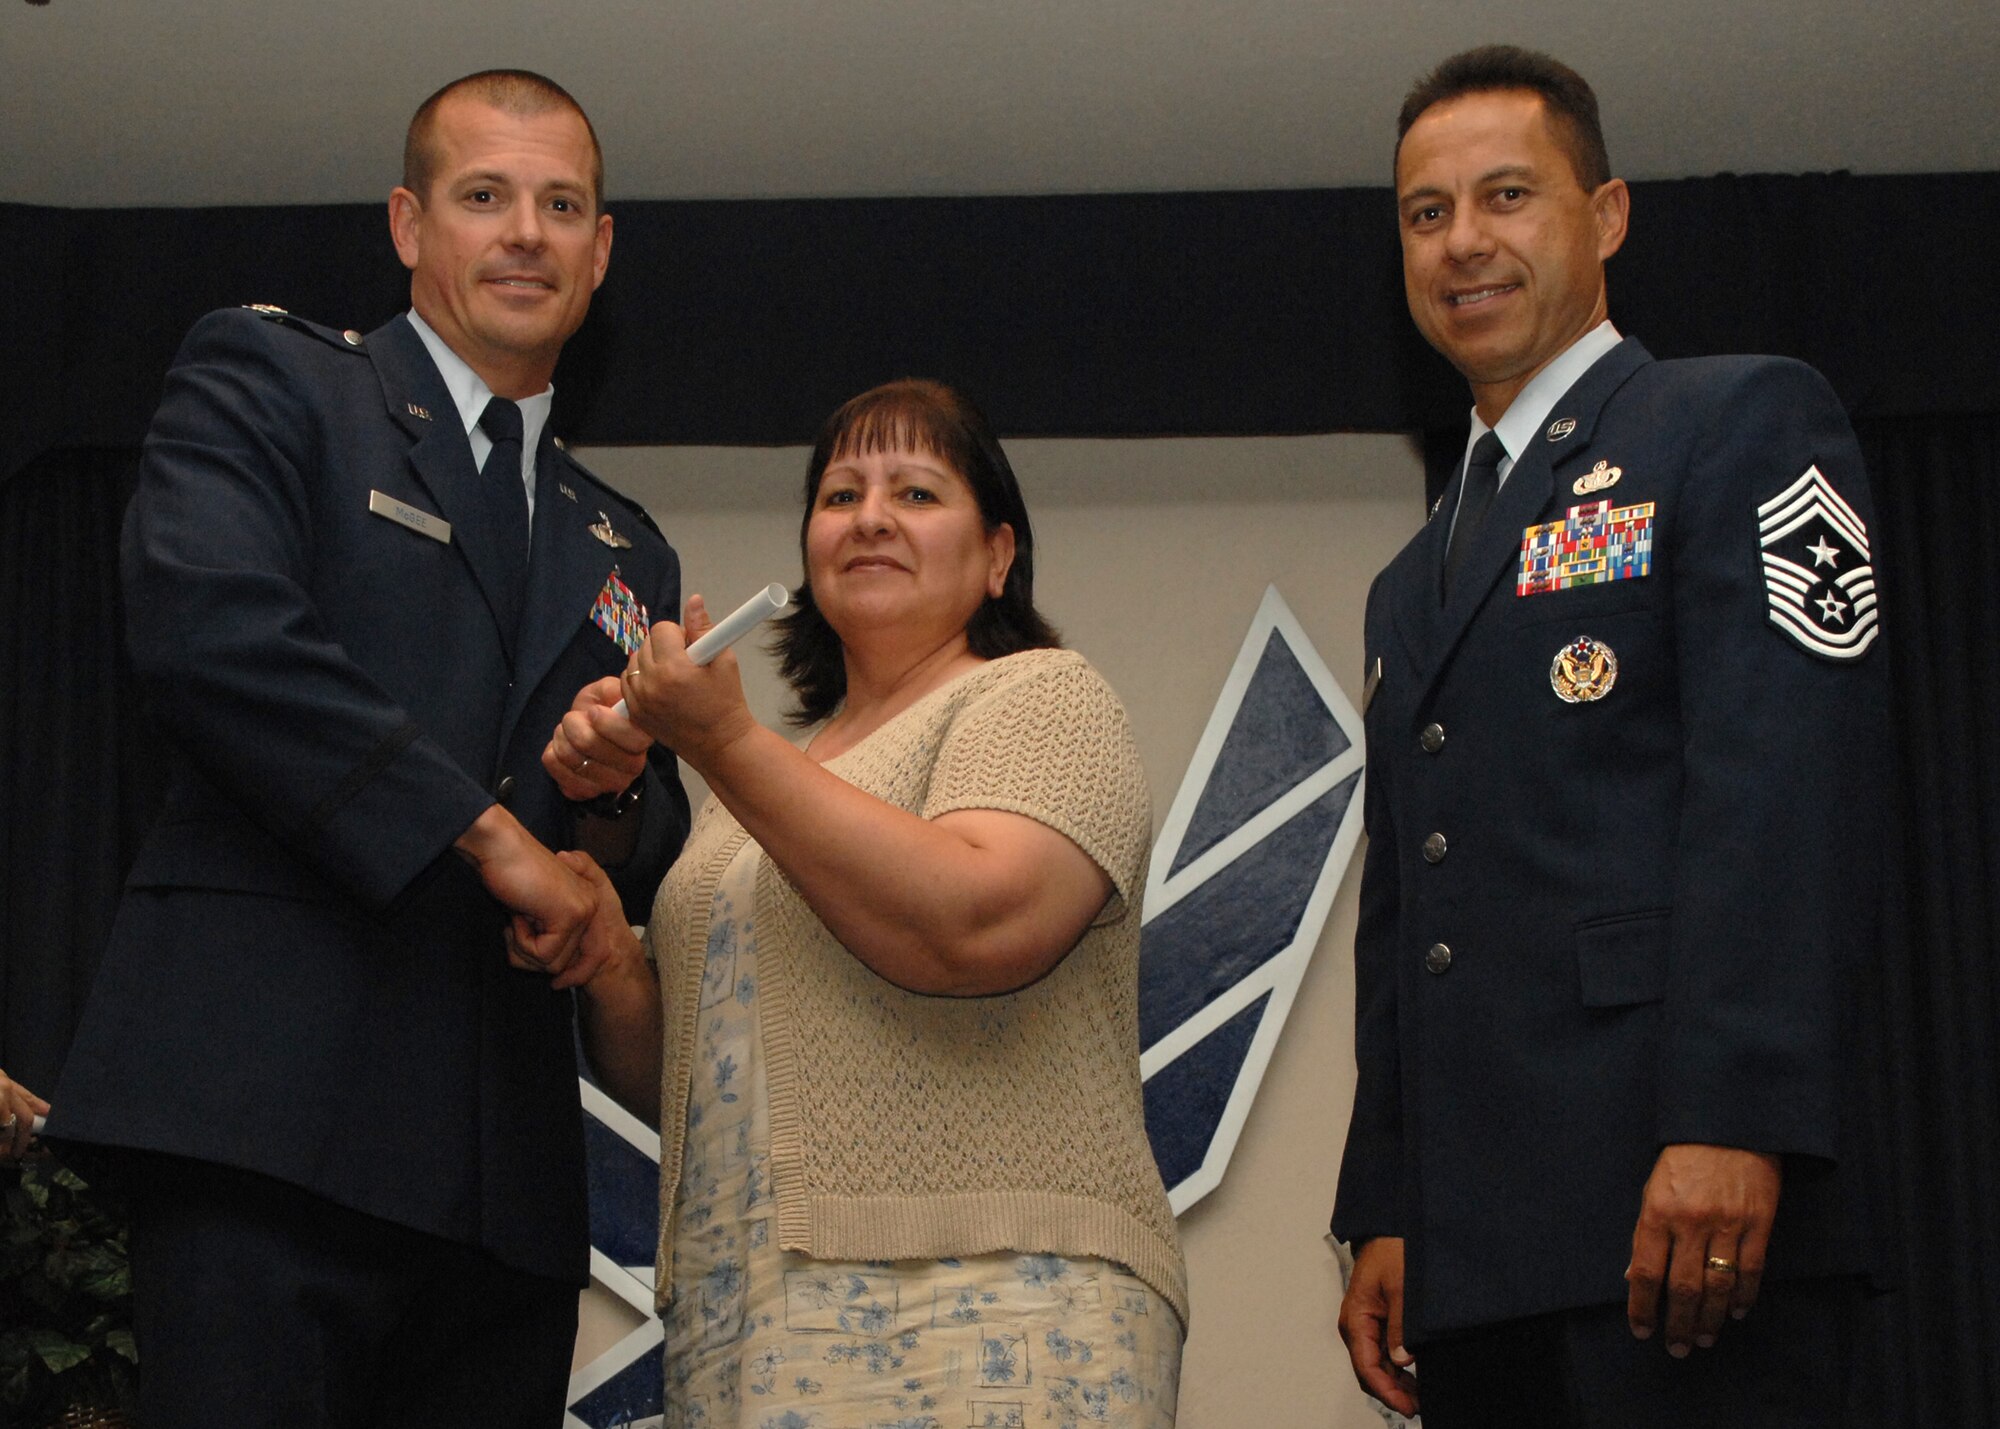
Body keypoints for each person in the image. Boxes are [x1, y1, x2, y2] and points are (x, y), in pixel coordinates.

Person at [47, 70, 690, 1427]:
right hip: (267, 1124)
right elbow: (215, 635)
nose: (526, 231)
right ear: (408, 224)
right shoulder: (273, 376)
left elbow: (644, 840)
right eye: (485, 197)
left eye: (561, 204)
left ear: (602, 249)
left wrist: (606, 799)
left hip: (501, 1190)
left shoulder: (623, 542)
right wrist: (492, 834)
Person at [1331, 46, 1887, 1428]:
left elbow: (1783, 793)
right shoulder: (1413, 579)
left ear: (1607, 215)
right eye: (1425, 212)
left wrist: (1736, 1117)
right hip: (1481, 1254)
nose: (1464, 241)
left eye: (1507, 195)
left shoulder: (1735, 421)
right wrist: (1387, 1205)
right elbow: (1408, 910)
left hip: (1684, 1207)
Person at [569, 379, 1187, 1426]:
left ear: (997, 555)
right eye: (841, 493)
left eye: (914, 492)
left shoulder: (1041, 694)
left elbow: (976, 921)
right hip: (740, 1323)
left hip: (999, 1300)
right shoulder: (749, 804)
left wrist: (721, 743)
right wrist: (593, 937)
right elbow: (678, 1067)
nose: (868, 517)